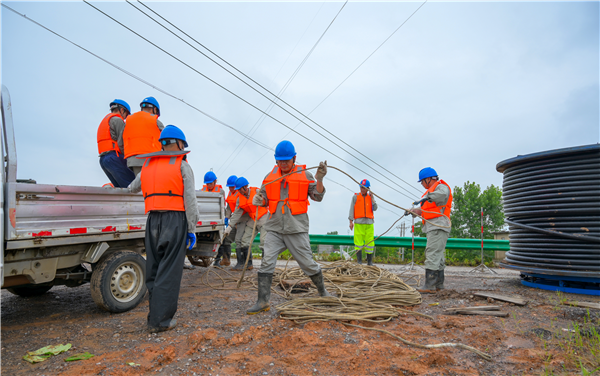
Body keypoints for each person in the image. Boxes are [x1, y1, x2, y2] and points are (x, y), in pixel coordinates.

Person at [247, 140, 332, 315]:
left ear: (294, 158)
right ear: (275, 160)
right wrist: (259, 201)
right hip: (275, 228)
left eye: (287, 160)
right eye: (280, 161)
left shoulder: (305, 175)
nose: (283, 164)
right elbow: (265, 199)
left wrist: (320, 179)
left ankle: (323, 292)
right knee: (266, 262)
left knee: (308, 263)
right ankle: (262, 301)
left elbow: (318, 196)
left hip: (296, 228)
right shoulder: (269, 177)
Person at [127, 125, 199, 332]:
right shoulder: (182, 165)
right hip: (175, 219)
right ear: (180, 144)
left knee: (155, 269)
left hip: (152, 221)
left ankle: (154, 317)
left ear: (162, 143)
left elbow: (132, 188)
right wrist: (191, 228)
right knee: (169, 271)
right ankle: (161, 321)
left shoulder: (148, 164)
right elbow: (190, 200)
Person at [408, 167, 452, 294]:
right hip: (434, 225)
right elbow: (429, 211)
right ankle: (438, 284)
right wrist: (416, 211)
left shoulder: (441, 187)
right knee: (438, 255)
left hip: (438, 225)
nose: (422, 184)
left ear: (428, 179)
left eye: (422, 181)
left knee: (432, 253)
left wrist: (427, 197)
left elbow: (443, 194)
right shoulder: (431, 193)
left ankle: (430, 284)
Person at [223, 177, 268, 271]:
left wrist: (262, 200)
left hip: (264, 218)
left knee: (264, 241)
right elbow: (236, 213)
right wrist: (230, 226)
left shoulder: (256, 191)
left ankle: (265, 266)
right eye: (238, 189)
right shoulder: (240, 198)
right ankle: (247, 264)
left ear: (245, 187)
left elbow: (267, 201)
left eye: (239, 189)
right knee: (244, 241)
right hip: (253, 219)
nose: (238, 191)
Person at [97, 99, 136, 187]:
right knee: (131, 186)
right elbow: (122, 143)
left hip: (103, 160)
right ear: (122, 110)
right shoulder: (118, 120)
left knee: (120, 188)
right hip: (115, 157)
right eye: (126, 115)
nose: (125, 118)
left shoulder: (106, 120)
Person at [123, 97, 165, 176]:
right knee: (149, 184)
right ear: (155, 109)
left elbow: (121, 140)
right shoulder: (155, 120)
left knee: (138, 184)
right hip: (151, 159)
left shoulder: (128, 121)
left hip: (132, 160)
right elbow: (166, 140)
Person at [348, 179, 378, 266]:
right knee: (358, 243)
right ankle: (359, 262)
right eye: (361, 188)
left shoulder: (370, 197)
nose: (362, 190)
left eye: (364, 188)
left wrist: (372, 198)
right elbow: (351, 209)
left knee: (370, 242)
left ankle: (369, 262)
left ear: (368, 188)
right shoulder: (355, 197)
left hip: (369, 223)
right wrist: (351, 221)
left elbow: (375, 208)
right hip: (358, 223)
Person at [214, 175, 238, 268]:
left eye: (232, 186)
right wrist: (226, 217)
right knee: (226, 239)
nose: (231, 188)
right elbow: (228, 208)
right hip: (233, 221)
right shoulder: (231, 194)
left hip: (240, 222)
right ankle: (226, 259)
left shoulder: (240, 194)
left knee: (242, 241)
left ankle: (245, 262)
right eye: (230, 187)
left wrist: (232, 221)